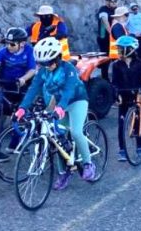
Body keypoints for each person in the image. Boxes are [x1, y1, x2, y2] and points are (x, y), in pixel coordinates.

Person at [15, 37, 95, 190]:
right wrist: (22, 108)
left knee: (76, 132)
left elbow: (69, 90)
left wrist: (60, 108)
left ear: (58, 57)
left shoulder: (68, 69)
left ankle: (88, 163)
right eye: (43, 64)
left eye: (49, 62)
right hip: (59, 104)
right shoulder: (43, 72)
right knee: (57, 138)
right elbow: (33, 90)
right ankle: (64, 172)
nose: (47, 66)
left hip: (77, 101)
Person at [111, 36, 141, 162]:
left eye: (120, 49)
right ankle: (122, 150)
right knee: (122, 124)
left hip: (137, 95)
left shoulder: (140, 63)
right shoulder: (116, 65)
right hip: (124, 96)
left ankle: (140, 148)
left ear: (129, 50)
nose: (118, 51)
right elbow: (114, 82)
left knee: (138, 121)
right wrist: (116, 94)